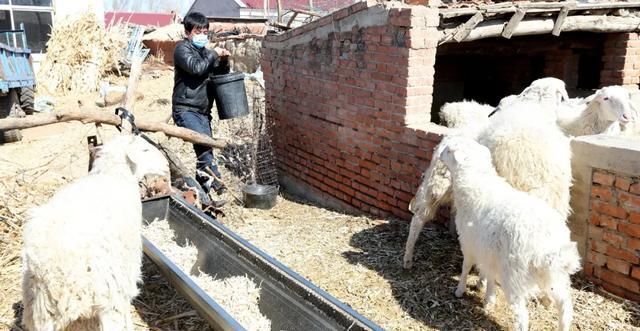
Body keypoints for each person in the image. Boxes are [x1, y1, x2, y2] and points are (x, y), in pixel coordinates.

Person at [172, 11, 230, 206]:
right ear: (188, 32)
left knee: (204, 150)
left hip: (203, 111)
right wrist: (214, 53)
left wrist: (223, 61)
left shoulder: (206, 52)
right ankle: (217, 183)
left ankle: (204, 199)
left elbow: (217, 75)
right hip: (186, 108)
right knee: (204, 146)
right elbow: (196, 68)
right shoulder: (182, 50)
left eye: (205, 31)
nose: (202, 34)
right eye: (198, 31)